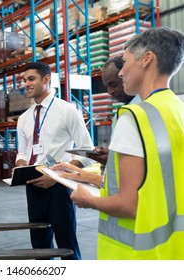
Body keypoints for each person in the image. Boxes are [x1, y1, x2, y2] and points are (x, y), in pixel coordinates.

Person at [53, 27, 184, 259]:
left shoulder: (133, 117)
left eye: (124, 63)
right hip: (173, 248)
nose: (121, 73)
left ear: (147, 59)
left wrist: (88, 200)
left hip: (137, 254)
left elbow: (128, 204)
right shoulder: (176, 109)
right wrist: (81, 175)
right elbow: (155, 182)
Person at [15, 62, 94, 260]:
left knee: (66, 244)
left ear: (46, 79)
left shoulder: (67, 111)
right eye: (24, 80)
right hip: (32, 185)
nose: (26, 84)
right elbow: (22, 152)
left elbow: (86, 150)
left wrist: (57, 176)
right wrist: (21, 167)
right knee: (39, 245)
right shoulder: (24, 118)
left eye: (31, 79)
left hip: (60, 186)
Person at [88, 56, 141, 166]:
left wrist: (114, 158)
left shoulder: (142, 110)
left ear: (125, 77)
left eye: (113, 84)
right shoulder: (123, 112)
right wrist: (111, 154)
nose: (110, 91)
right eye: (107, 87)